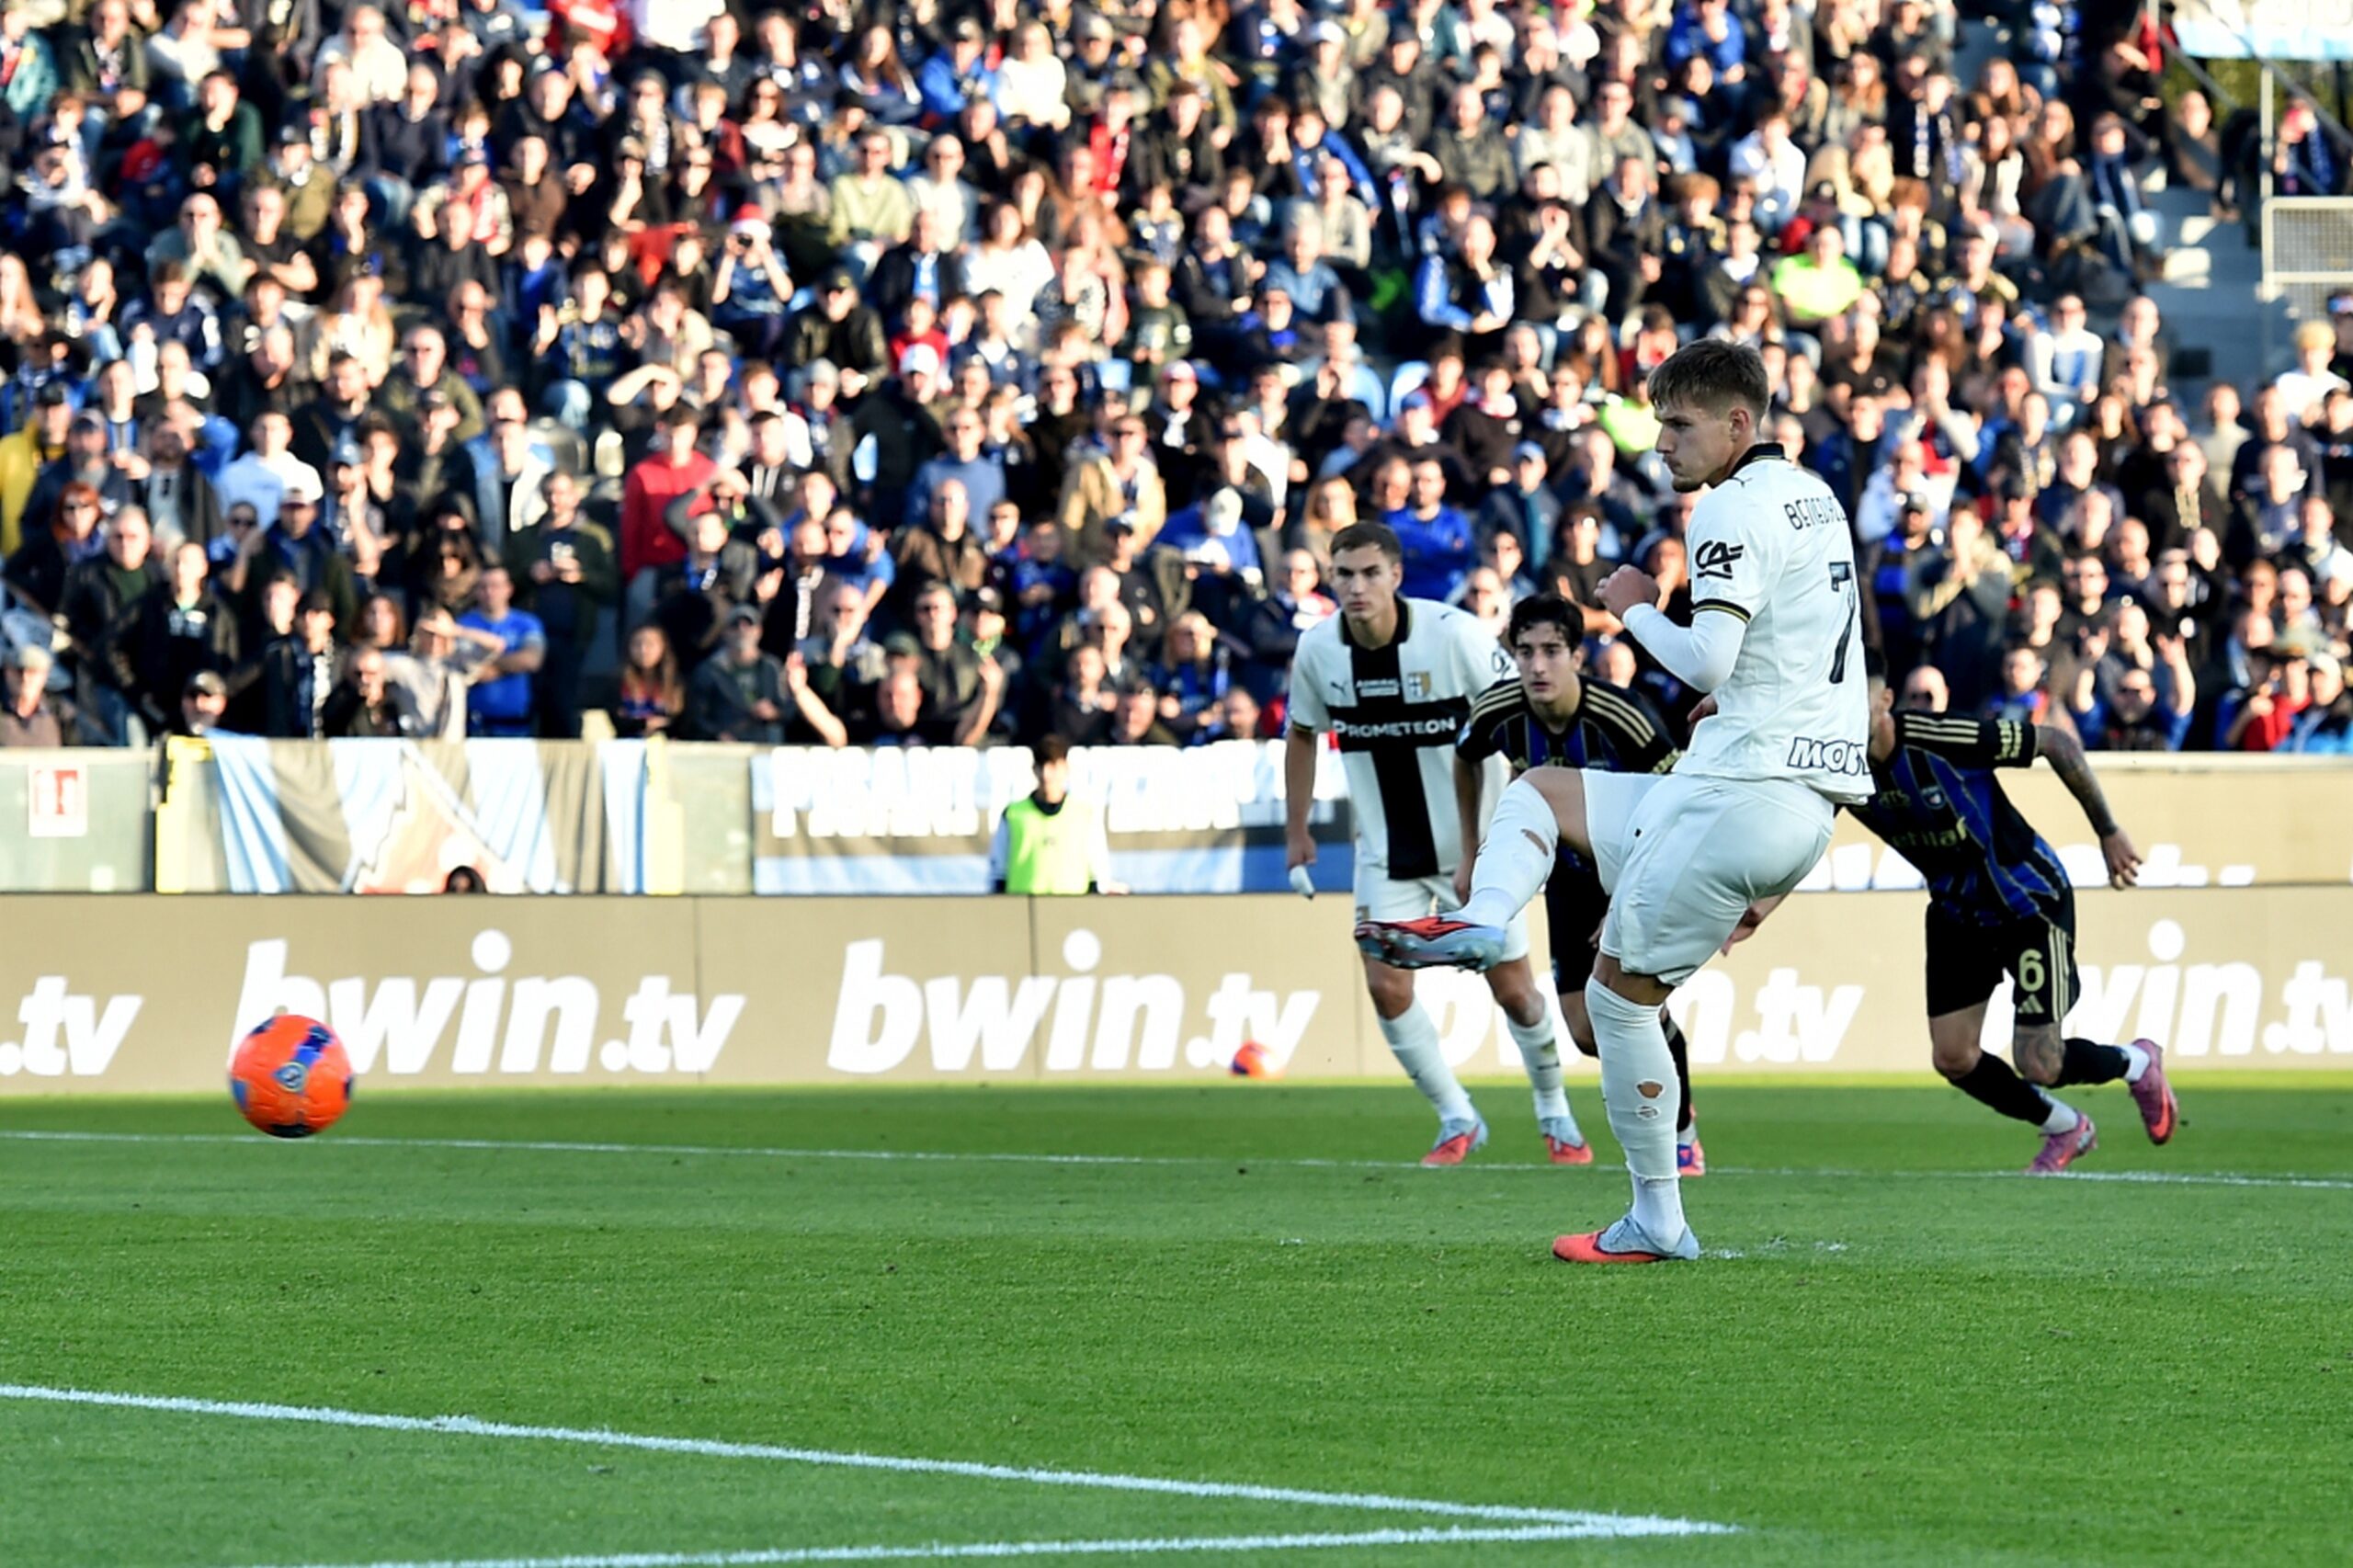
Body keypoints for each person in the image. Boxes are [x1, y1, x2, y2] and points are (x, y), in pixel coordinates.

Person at [1359, 342, 1868, 1264]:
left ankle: (1657, 1219)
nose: (1662, 444)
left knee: (1617, 1005)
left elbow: (1705, 658)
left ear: (1738, 423)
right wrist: (1752, 694)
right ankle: (1479, 920)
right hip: (1785, 794)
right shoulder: (1813, 494)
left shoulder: (1726, 509)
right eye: (1659, 423)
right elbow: (1802, 639)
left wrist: (1633, 605)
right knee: (1538, 792)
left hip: (1740, 794)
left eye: (1680, 424)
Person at [1732, 655, 2177, 1171]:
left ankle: (2139, 1063)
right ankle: (2065, 1127)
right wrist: (1762, 906)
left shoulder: (1940, 737)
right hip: (1956, 912)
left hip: (2027, 901)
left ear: (1884, 702)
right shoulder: (1836, 765)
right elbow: (1807, 835)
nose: (1842, 717)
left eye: (1855, 702)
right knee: (1954, 1058)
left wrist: (2107, 829)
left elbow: (2055, 742)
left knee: (2040, 1061)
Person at [1281, 519, 1566, 1165]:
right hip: (1388, 852)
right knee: (1385, 986)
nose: (1357, 588)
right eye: (1344, 576)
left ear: (1396, 576)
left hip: (1483, 852)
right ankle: (1456, 1116)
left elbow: (1518, 713)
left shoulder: (1454, 636)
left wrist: (1524, 828)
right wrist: (1297, 830)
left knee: (1516, 991)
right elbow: (1301, 731)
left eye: (1370, 574)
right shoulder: (1319, 651)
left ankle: (1555, 1111)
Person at [1455, 595, 1702, 1173]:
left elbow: (1677, 798)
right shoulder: (1497, 710)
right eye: (1524, 652)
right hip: (1566, 880)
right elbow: (1465, 758)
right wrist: (1470, 851)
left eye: (1550, 651)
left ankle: (1683, 1131)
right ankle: (1663, 1055)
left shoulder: (1624, 715)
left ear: (1577, 655)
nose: (1537, 666)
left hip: (1631, 875)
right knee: (1587, 1033)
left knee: (1630, 1008)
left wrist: (1631, 897)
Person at [988, 734, 1123, 894]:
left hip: (1072, 909)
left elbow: (1097, 868)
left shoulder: (1085, 813)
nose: (1046, 774)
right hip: (1023, 908)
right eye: (1041, 765)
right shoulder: (1013, 814)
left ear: (1065, 768)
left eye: (1052, 765)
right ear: (1034, 768)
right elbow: (998, 871)